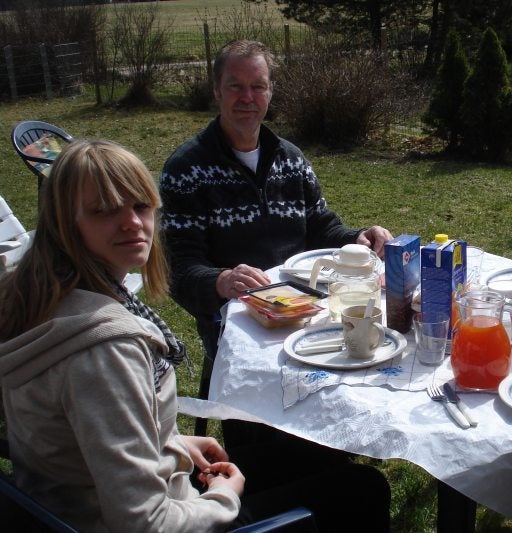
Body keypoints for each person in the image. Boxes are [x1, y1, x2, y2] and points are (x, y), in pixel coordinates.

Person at [0, 140, 390, 531]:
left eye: (140, 206)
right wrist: (224, 497)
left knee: (322, 456)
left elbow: (81, 441)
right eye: (104, 210)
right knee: (362, 488)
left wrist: (170, 443)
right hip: (140, 517)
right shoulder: (102, 351)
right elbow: (145, 524)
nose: (132, 223)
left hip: (75, 504)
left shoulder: (42, 301)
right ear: (65, 224)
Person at [159, 39, 393, 365]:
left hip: (308, 315)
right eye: (235, 86)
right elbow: (176, 269)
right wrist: (221, 281)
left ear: (270, 92)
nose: (247, 97)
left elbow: (320, 226)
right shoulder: (187, 169)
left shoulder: (290, 159)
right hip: (238, 328)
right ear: (216, 91)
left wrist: (358, 238)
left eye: (258, 86)